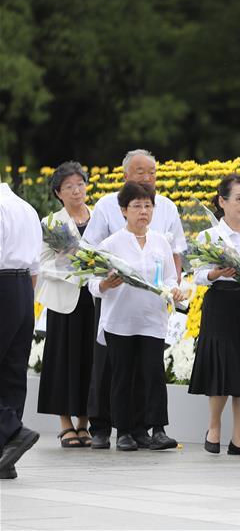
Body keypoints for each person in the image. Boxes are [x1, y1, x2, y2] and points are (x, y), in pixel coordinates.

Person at [82, 149, 187, 449]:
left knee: (152, 374)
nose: (143, 211)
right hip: (120, 320)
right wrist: (105, 284)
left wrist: (174, 289)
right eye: (137, 206)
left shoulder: (159, 243)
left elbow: (169, 275)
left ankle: (154, 429)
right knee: (121, 376)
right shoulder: (111, 243)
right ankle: (124, 431)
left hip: (152, 318)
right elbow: (92, 278)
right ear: (124, 210)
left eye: (147, 207)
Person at [189, 174, 240, 456]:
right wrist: (215, 273)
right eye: (238, 199)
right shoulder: (209, 236)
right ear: (222, 202)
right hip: (220, 302)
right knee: (222, 366)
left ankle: (239, 438)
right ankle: (213, 427)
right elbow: (197, 275)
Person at [35, 162, 96, 447]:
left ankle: (85, 422)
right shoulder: (52, 223)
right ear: (58, 192)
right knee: (63, 359)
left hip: (96, 298)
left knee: (90, 356)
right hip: (64, 299)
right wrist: (65, 261)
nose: (76, 191)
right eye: (69, 187)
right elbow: (41, 264)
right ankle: (65, 423)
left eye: (80, 184)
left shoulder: (98, 218)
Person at [0, 181, 42, 479]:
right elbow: (35, 267)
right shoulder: (26, 208)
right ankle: (6, 457)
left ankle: (13, 432)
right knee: (12, 373)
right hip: (23, 288)